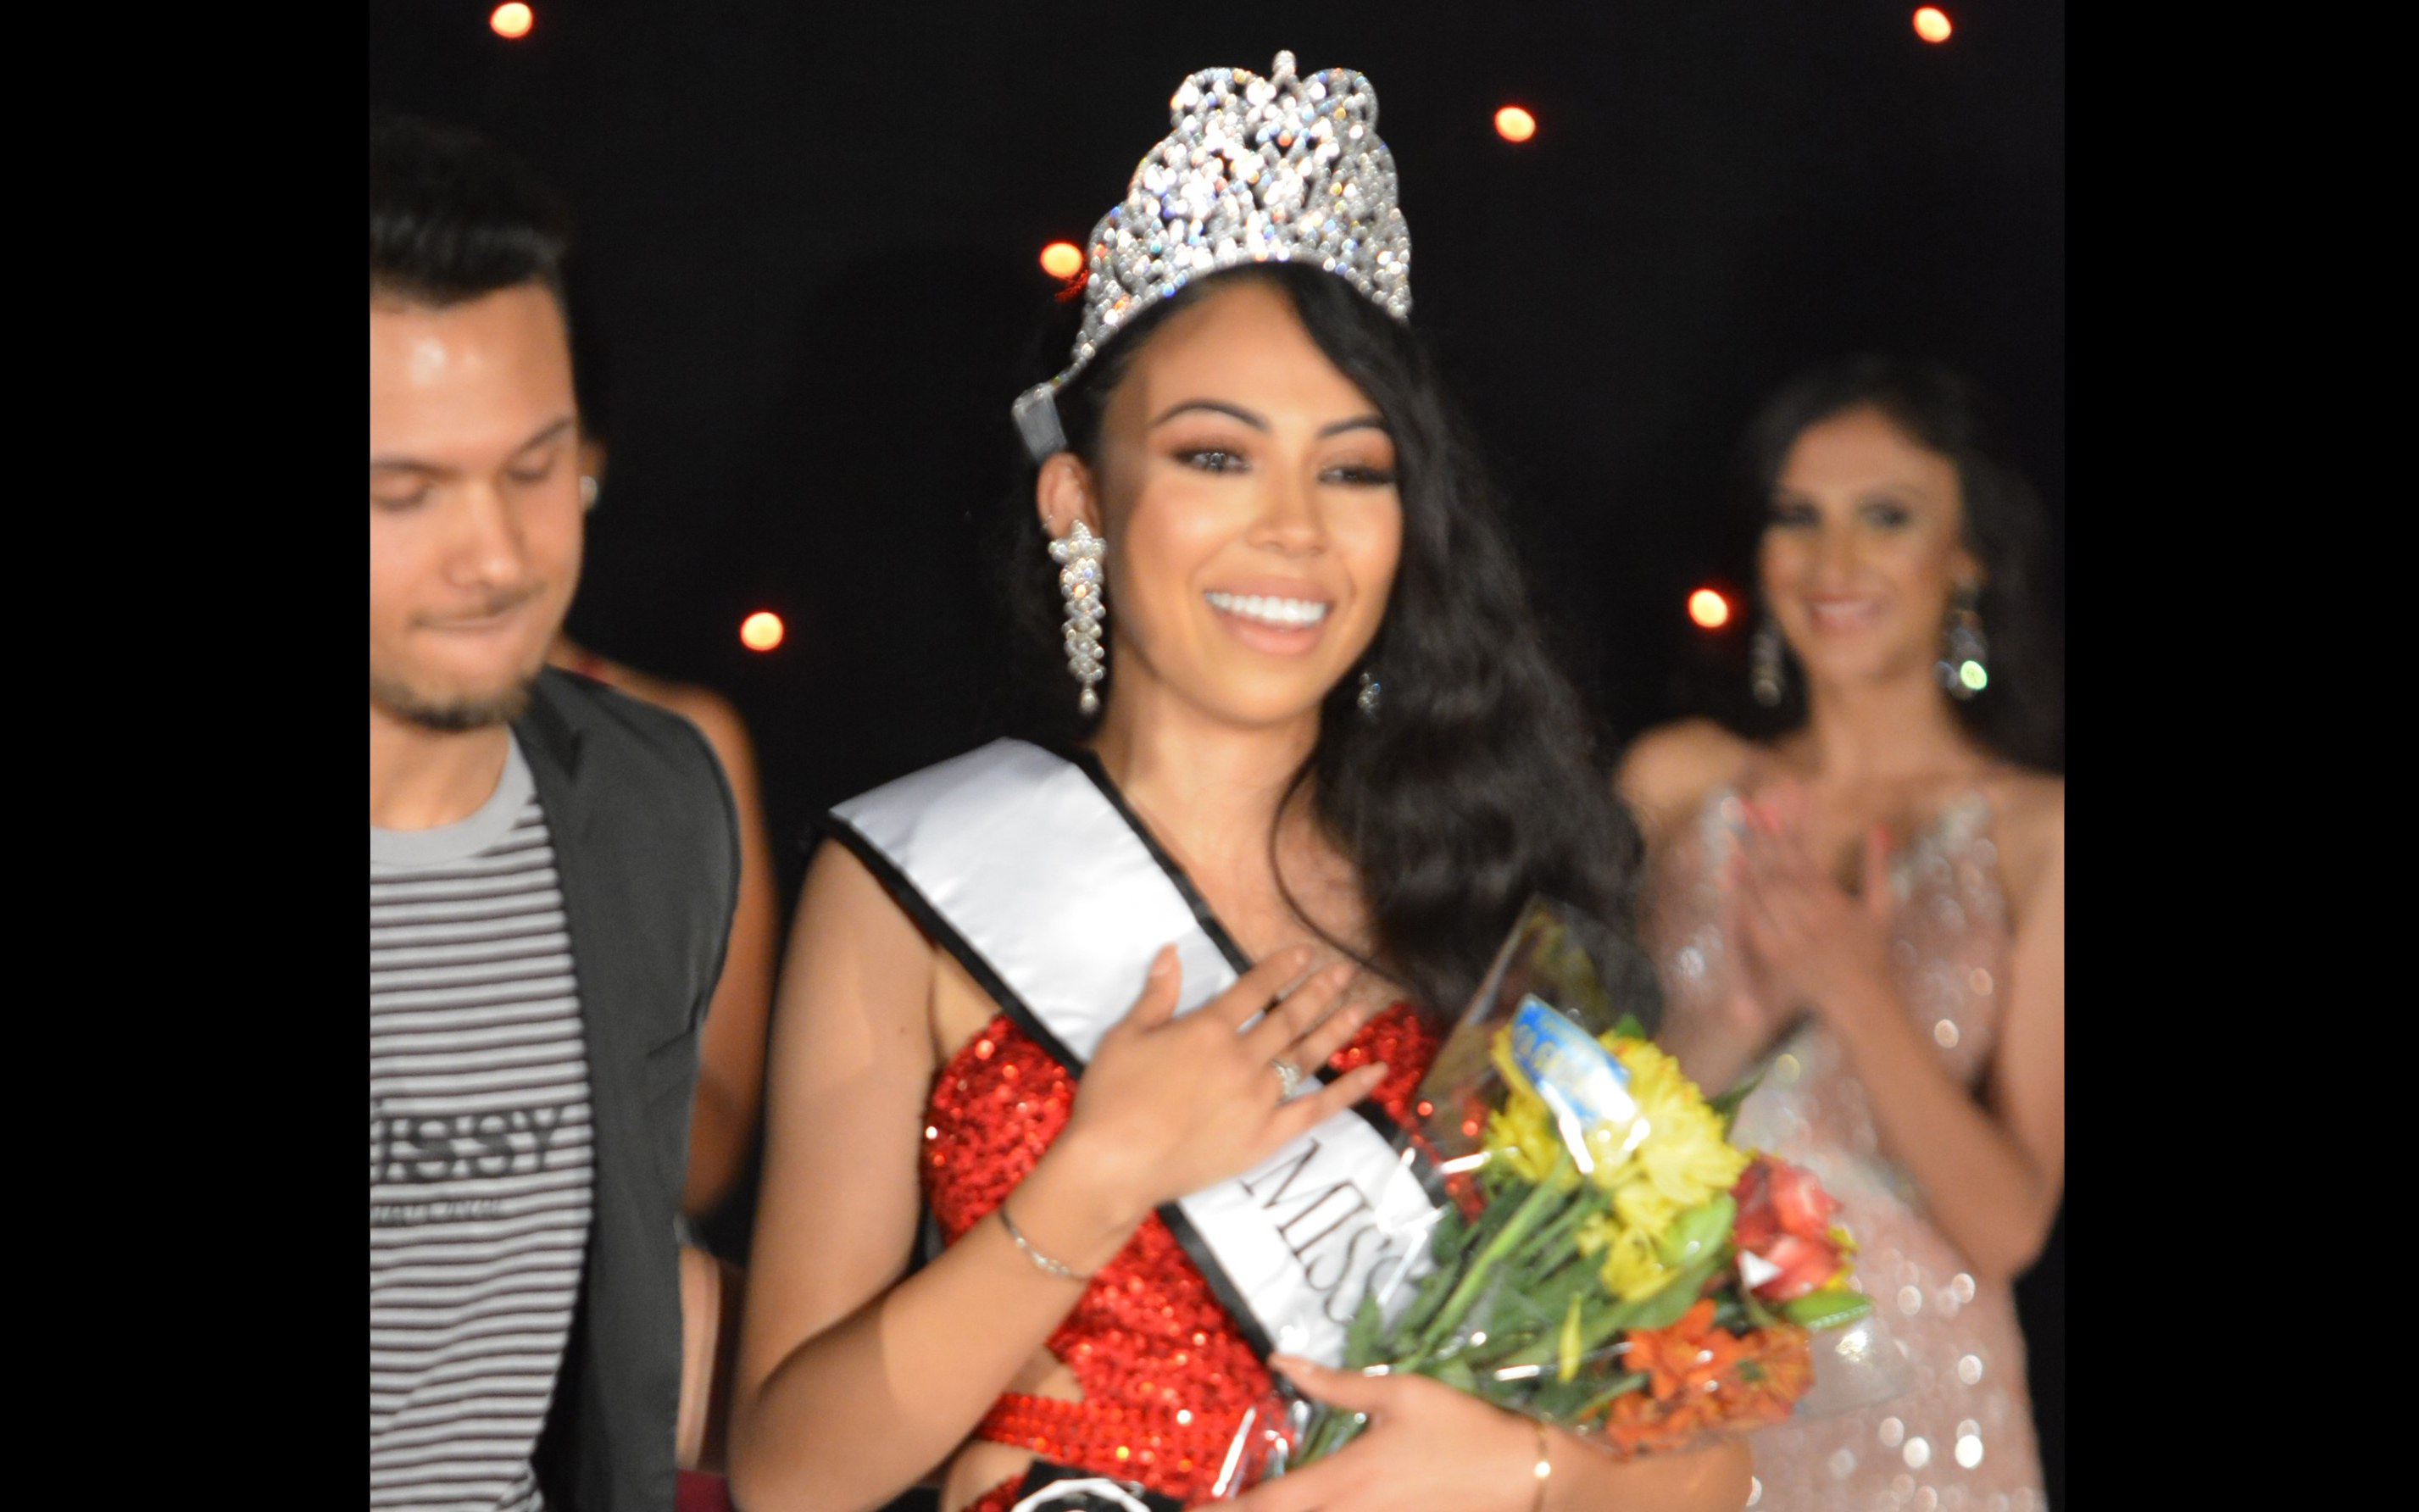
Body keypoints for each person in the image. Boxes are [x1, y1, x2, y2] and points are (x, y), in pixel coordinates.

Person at [730, 52, 1754, 1512]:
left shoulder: (1488, 866)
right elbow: (786, 1477)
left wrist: (1523, 1469)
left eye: (1353, 470)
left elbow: (1705, 1454)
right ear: (1079, 500)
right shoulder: (914, 883)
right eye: (1216, 456)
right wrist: (1097, 1178)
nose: (1293, 531)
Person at [370, 114, 741, 1510]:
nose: (498, 555)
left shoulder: (648, 803)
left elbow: (604, 1319)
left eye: (535, 470)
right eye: (403, 493)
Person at [1617, 358, 2063, 1512]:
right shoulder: (1676, 784)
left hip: (1923, 1418)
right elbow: (1572, 1130)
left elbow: (2008, 1226)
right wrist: (1734, 1024)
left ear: (1965, 555)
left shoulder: (2035, 831)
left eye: (1885, 517)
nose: (1833, 562)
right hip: (1679, 1379)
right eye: (1797, 516)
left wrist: (1857, 990)